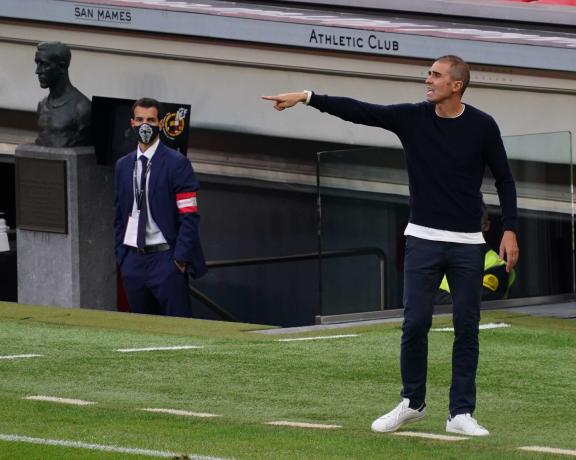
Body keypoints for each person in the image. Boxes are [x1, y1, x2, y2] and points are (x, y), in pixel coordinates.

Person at [262, 55, 518, 436]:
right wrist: (307, 96)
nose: (427, 80)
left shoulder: (482, 125)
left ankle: (460, 413)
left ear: (456, 85)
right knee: (414, 323)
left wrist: (509, 230)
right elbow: (361, 112)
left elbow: (505, 180)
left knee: (468, 327)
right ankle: (412, 403)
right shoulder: (412, 117)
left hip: (467, 244)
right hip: (422, 239)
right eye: (429, 74)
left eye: (436, 75)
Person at [113, 97, 206, 317]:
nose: (145, 125)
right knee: (142, 330)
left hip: (166, 260)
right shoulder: (123, 165)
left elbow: (189, 215)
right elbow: (119, 213)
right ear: (132, 123)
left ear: (161, 123)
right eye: (140, 119)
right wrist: (122, 256)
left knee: (178, 329)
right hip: (133, 260)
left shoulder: (177, 163)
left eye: (151, 120)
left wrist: (179, 260)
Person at [436, 201, 516, 304]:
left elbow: (475, 300)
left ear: (486, 225)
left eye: (473, 222)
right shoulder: (442, 257)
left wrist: (437, 297)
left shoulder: (497, 265)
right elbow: (420, 293)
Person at [34, 41, 91, 147]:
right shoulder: (42, 105)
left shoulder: (82, 108)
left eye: (45, 64)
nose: (37, 71)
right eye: (37, 64)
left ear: (61, 67)